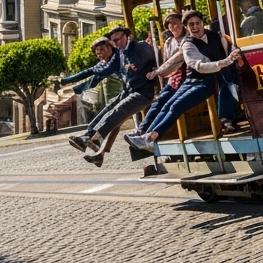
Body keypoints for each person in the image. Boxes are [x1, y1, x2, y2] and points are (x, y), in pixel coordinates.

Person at [128, 11, 241, 152]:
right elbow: (199, 65)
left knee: (176, 106)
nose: (195, 27)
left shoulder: (214, 36)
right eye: (191, 24)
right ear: (186, 27)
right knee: (168, 104)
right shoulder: (188, 44)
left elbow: (228, 46)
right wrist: (223, 62)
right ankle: (145, 137)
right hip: (193, 79)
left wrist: (229, 58)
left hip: (207, 83)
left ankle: (149, 138)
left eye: (197, 23)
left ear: (202, 23)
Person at [58, 24, 158, 167]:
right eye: (114, 41)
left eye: (118, 40)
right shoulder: (119, 54)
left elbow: (155, 58)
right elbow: (96, 73)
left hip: (143, 92)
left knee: (118, 112)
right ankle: (90, 138)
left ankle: (96, 141)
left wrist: (154, 71)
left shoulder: (137, 47)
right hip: (128, 90)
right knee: (110, 109)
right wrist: (70, 83)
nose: (117, 43)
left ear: (126, 36)